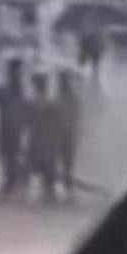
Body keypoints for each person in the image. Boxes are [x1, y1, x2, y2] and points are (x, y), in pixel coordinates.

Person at [25, 72, 64, 203]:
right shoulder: (51, 103)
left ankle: (45, 192)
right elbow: (59, 123)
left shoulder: (33, 102)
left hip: (39, 137)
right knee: (48, 166)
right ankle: (49, 192)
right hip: (48, 138)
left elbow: (29, 123)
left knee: (39, 166)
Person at [0, 58, 27, 195]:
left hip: (9, 123)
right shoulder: (17, 84)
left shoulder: (13, 85)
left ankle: (12, 180)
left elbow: (8, 102)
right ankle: (14, 179)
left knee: (10, 153)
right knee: (12, 153)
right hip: (12, 122)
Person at [56, 71, 81, 200]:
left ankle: (67, 186)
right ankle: (66, 186)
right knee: (66, 162)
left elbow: (75, 117)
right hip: (64, 134)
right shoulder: (67, 98)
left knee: (67, 162)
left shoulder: (64, 98)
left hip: (66, 134)